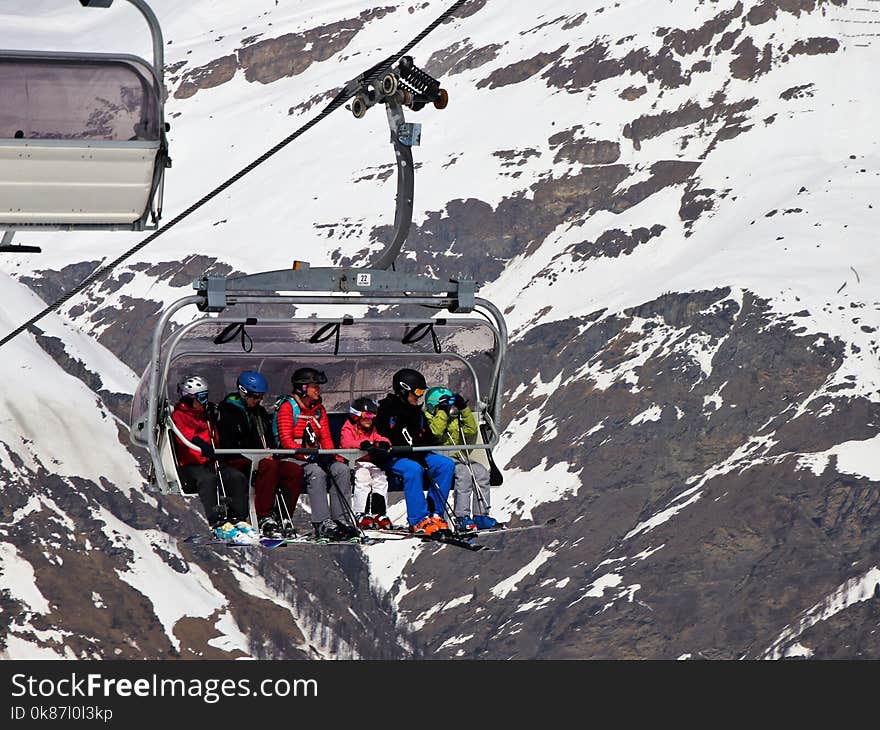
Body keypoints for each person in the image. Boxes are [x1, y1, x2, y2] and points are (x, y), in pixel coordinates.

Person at [273, 367, 358, 542]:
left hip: (317, 455)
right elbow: (286, 441)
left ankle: (341, 519)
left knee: (341, 469)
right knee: (316, 473)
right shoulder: (288, 407)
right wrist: (307, 456)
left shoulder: (319, 410)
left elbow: (325, 437)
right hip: (293, 457)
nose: (318, 390)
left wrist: (330, 456)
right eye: (314, 386)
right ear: (302, 388)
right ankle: (321, 522)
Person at [170, 374, 256, 542]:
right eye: (201, 397)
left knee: (236, 477)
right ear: (189, 398)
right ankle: (218, 523)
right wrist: (203, 446)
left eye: (206, 396)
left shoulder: (206, 415)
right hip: (192, 463)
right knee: (208, 480)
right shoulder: (180, 415)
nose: (204, 401)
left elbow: (214, 434)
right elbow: (185, 436)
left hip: (211, 460)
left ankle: (238, 518)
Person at [217, 370, 304, 538]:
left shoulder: (260, 413)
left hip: (261, 458)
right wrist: (259, 453)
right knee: (269, 467)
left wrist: (271, 451)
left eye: (260, 397)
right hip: (238, 459)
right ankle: (264, 516)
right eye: (254, 397)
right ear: (243, 393)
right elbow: (229, 443)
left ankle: (282, 516)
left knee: (294, 470)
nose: (257, 401)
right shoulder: (227, 411)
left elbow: (268, 437)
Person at [374, 368, 455, 536]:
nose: (418, 397)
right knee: (413, 469)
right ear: (404, 390)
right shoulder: (387, 410)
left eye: (421, 392)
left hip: (417, 454)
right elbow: (381, 434)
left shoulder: (417, 412)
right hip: (395, 456)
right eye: (417, 392)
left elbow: (425, 435)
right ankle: (418, 520)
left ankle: (435, 513)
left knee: (445, 465)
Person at [424, 386, 499, 533]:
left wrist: (463, 409)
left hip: (456, 456)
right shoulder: (427, 418)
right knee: (464, 474)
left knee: (481, 472)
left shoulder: (454, 418)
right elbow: (436, 433)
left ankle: (481, 515)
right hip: (438, 458)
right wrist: (443, 412)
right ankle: (461, 516)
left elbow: (471, 431)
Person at [339, 397, 393, 530]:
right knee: (363, 478)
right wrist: (362, 444)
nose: (370, 419)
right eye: (367, 415)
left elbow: (378, 438)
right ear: (357, 415)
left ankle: (378, 512)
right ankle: (360, 513)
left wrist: (385, 442)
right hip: (353, 462)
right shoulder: (348, 427)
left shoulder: (371, 429)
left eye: (373, 415)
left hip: (368, 462)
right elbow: (346, 443)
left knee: (381, 478)